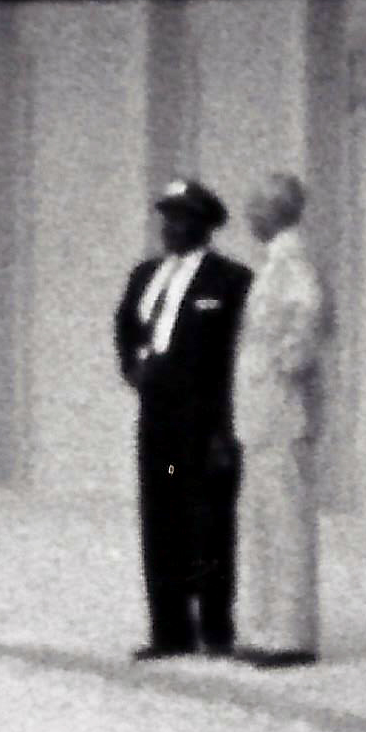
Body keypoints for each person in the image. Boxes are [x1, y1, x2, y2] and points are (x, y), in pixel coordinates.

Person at [113, 178, 253, 660]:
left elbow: (234, 358)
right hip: (160, 421)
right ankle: (169, 627)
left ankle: (216, 626)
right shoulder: (145, 276)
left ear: (205, 225)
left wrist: (225, 430)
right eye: (166, 217)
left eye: (182, 218)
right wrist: (133, 366)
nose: (170, 227)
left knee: (210, 520)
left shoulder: (229, 281)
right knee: (163, 514)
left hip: (206, 422)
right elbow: (125, 326)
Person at [228, 170, 332, 666]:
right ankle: (265, 625)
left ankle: (290, 634)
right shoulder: (276, 261)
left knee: (285, 519)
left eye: (257, 207)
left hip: (282, 409)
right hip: (264, 411)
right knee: (264, 518)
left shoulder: (293, 261)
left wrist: (286, 365)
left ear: (276, 211)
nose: (249, 216)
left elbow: (311, 318)